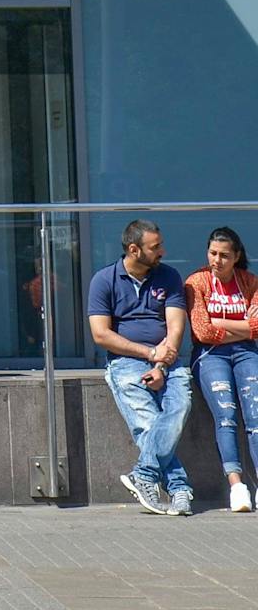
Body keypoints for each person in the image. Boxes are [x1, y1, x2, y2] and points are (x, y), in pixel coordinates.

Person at [88, 218, 193, 516]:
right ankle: (180, 488)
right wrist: (148, 352)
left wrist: (160, 363)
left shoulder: (169, 276)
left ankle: (144, 475)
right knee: (148, 422)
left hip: (168, 360)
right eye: (155, 246)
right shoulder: (104, 280)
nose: (162, 251)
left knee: (180, 406)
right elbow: (101, 335)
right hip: (126, 362)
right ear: (134, 250)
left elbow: (175, 327)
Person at [185, 226, 258, 512]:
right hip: (210, 356)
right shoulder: (197, 282)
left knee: (255, 417)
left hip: (247, 354)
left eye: (224, 255)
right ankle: (236, 485)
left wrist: (223, 323)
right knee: (225, 415)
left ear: (237, 256)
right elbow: (201, 331)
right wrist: (245, 328)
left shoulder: (250, 282)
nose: (217, 260)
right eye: (213, 253)